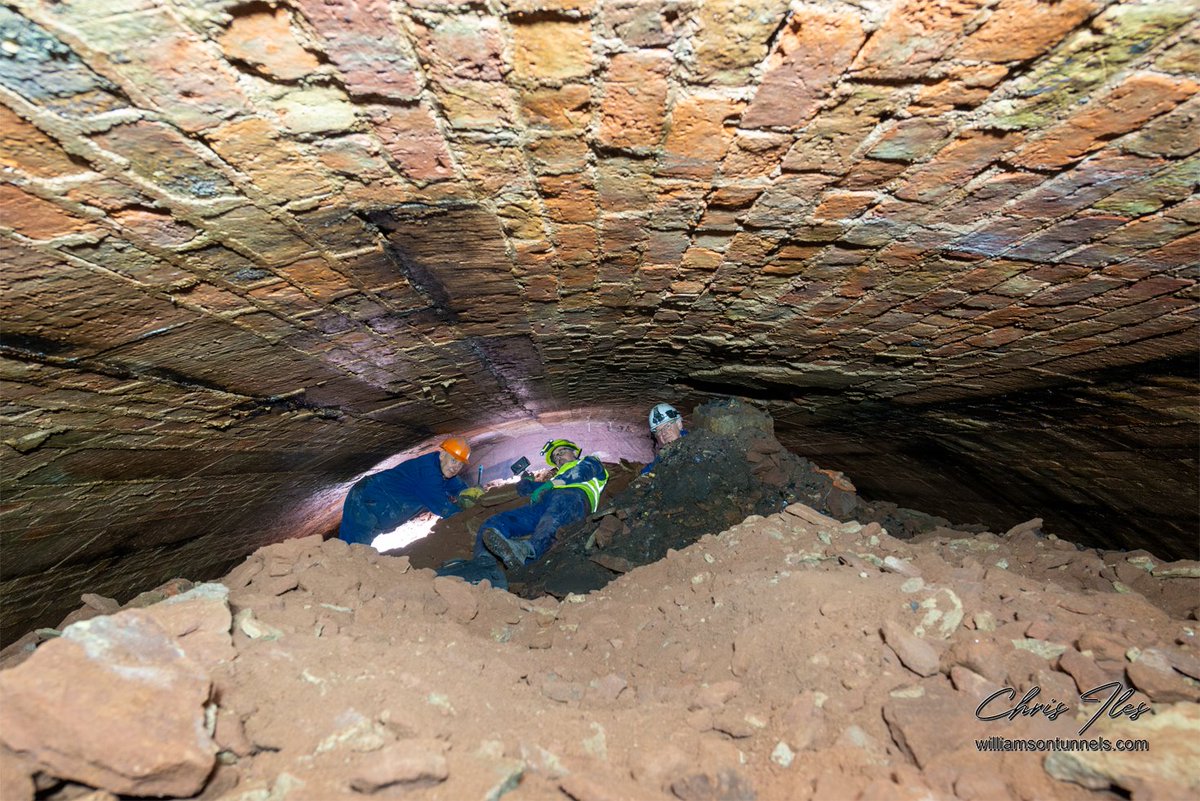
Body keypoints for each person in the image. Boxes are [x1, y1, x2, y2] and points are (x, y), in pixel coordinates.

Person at [476, 439, 608, 569]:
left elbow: (582, 471)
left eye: (562, 451)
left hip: (574, 500)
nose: (559, 457)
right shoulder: (554, 480)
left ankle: (528, 551)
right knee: (496, 522)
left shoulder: (590, 461)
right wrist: (526, 480)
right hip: (543, 505)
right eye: (555, 456)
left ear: (575, 452)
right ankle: (482, 563)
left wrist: (552, 484)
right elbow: (526, 489)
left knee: (555, 513)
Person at [338, 437, 483, 546]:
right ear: (442, 455)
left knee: (362, 547)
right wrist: (470, 519)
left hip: (381, 510)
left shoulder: (444, 470)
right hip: (365, 500)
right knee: (351, 548)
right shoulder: (427, 473)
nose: (456, 467)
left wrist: (476, 496)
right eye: (453, 460)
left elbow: (459, 488)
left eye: (460, 463)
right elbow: (442, 506)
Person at [641, 402, 687, 475]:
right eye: (659, 431)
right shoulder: (666, 453)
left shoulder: (695, 444)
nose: (664, 433)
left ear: (679, 424)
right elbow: (650, 469)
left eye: (667, 426)